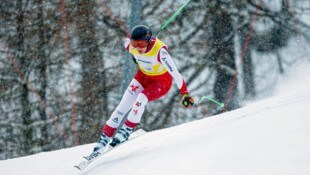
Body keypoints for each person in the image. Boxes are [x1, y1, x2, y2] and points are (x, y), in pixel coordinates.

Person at [93, 25, 194, 152]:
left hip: (160, 82)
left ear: (149, 40)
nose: (138, 47)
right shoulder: (130, 46)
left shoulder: (160, 52)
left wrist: (184, 93)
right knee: (122, 106)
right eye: (135, 43)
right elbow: (129, 39)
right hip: (142, 78)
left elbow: (176, 74)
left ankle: (126, 130)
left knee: (141, 98)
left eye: (141, 44)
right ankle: (105, 137)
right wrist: (135, 54)